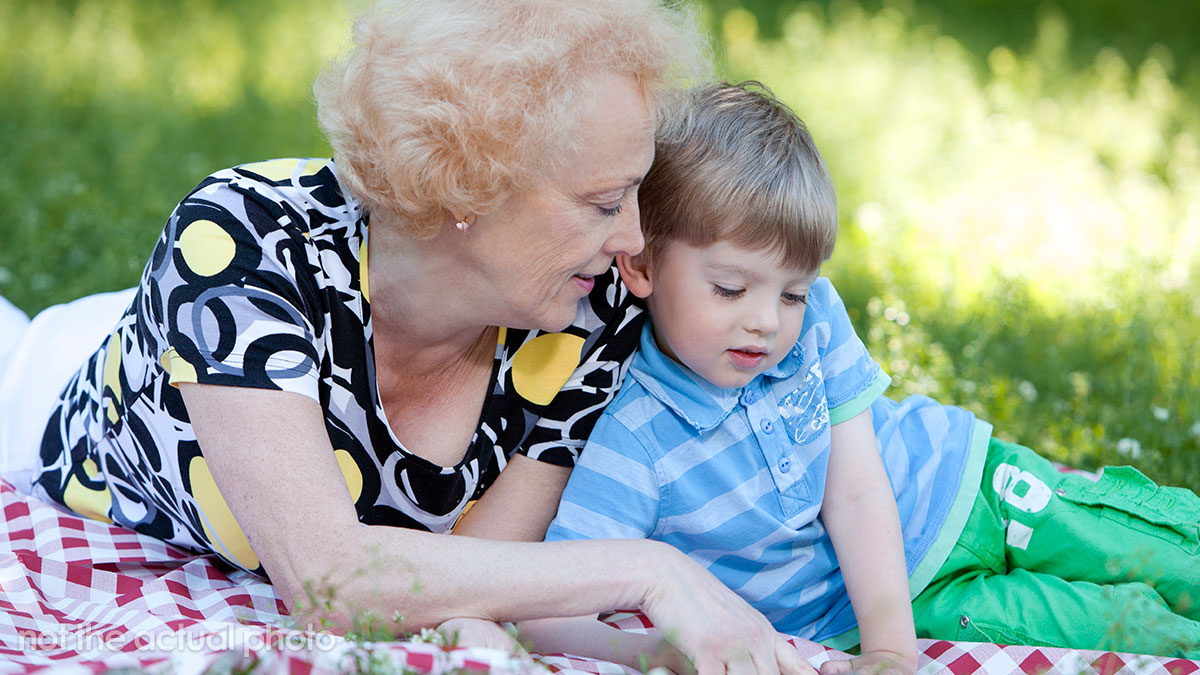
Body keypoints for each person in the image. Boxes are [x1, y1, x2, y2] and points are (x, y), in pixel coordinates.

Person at [8, 4, 818, 673]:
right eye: (605, 203)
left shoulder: (584, 307)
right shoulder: (240, 240)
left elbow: (482, 581)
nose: (635, 240)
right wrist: (648, 571)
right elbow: (332, 579)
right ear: (470, 181)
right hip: (110, 422)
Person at [545, 81, 1200, 672]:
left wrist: (890, 649)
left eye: (793, 293)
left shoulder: (817, 323)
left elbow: (855, 490)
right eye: (730, 287)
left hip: (969, 491)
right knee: (1127, 631)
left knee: (1162, 550)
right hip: (907, 605)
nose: (768, 322)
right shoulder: (634, 439)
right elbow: (551, 609)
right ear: (641, 268)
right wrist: (887, 651)